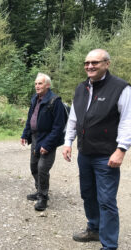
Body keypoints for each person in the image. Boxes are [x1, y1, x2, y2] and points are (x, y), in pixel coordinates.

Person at [62, 49, 131, 250]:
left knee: (107, 200)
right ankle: (94, 228)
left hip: (106, 155)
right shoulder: (81, 88)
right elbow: (74, 116)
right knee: (88, 194)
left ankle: (109, 245)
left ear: (107, 64)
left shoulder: (121, 88)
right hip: (85, 153)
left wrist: (121, 149)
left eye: (95, 62)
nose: (90, 66)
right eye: (87, 63)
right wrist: (68, 141)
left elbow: (128, 121)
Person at [20, 73, 67, 211]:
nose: (37, 86)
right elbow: (30, 118)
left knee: (42, 168)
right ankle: (39, 189)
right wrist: (25, 134)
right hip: (35, 138)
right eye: (36, 84)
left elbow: (58, 127)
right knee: (34, 167)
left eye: (40, 83)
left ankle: (43, 197)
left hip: (47, 140)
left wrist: (47, 144)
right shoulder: (35, 99)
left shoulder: (55, 101)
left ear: (47, 85)